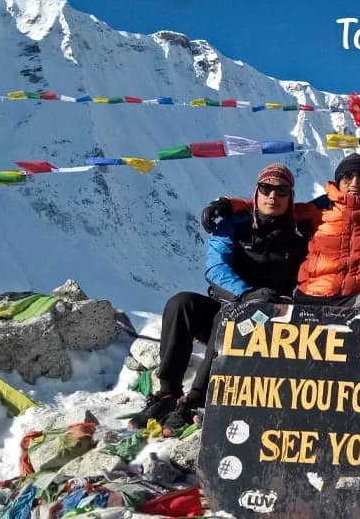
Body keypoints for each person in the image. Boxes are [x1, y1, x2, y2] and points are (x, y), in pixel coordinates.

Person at [130, 163, 312, 432]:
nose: (273, 196)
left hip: (269, 319)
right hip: (231, 301)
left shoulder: (301, 233)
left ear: (291, 197)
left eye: (281, 190)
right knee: (181, 304)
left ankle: (198, 399)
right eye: (266, 188)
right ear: (256, 193)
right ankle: (168, 393)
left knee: (226, 322)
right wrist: (246, 294)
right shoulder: (233, 224)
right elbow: (216, 268)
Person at [210, 153, 360, 309]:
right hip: (309, 296)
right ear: (338, 182)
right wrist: (231, 204)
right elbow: (274, 206)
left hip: (356, 299)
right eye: (347, 178)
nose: (355, 184)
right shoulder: (318, 208)